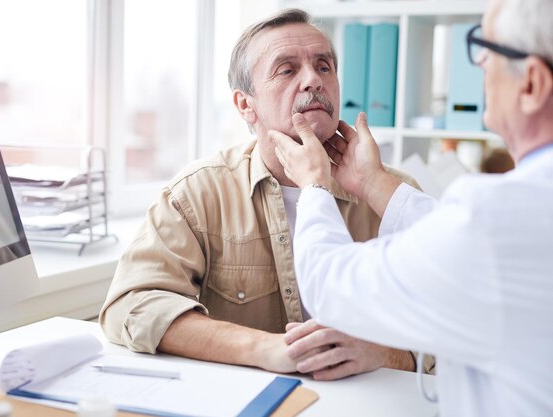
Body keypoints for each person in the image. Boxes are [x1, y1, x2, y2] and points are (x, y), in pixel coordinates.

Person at [100, 8, 434, 380]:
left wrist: (383, 354)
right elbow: (132, 304)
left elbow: (455, 321)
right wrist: (266, 348)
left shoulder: (392, 196)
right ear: (246, 105)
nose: (313, 81)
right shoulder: (197, 194)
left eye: (324, 66)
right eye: (287, 69)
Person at [270, 0, 553, 414]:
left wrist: (314, 186)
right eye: (287, 68)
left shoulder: (495, 216)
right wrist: (371, 182)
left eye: (484, 48)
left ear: (531, 84)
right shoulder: (510, 216)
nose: (479, 67)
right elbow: (472, 248)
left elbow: (330, 285)